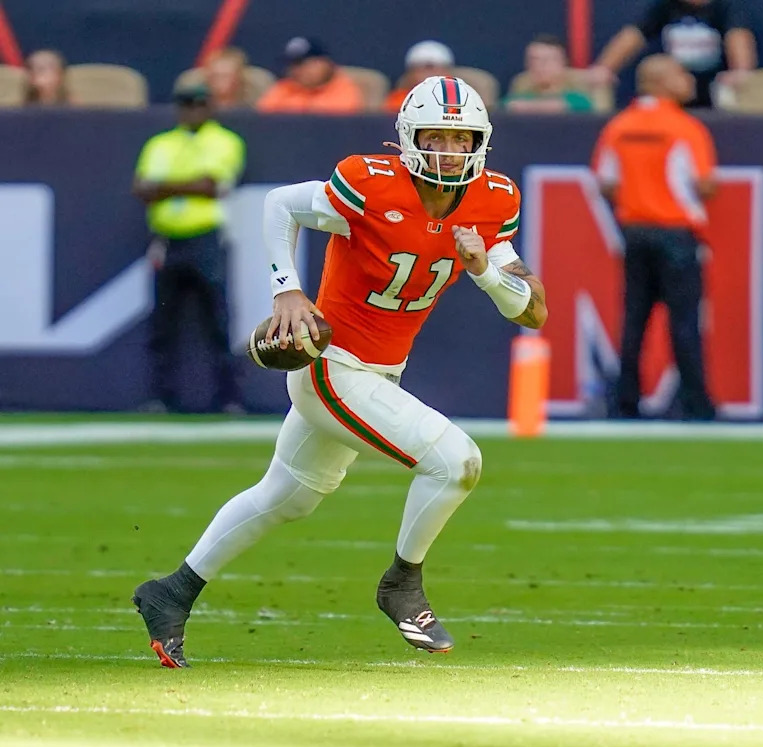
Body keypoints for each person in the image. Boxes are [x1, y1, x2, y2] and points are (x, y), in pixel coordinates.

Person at [131, 75, 548, 668]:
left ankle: (169, 593)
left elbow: (530, 310)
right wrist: (287, 292)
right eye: (437, 137)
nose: (449, 152)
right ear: (409, 137)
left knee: (286, 497)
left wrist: (483, 270)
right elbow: (281, 204)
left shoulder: (493, 199)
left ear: (480, 142)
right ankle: (402, 583)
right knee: (457, 462)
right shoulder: (371, 182)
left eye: (462, 140)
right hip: (330, 365)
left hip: (380, 372)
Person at [593, 55, 717, 420]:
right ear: (662, 81)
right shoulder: (684, 128)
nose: (688, 79)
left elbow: (607, 182)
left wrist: (638, 199)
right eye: (681, 73)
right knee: (684, 322)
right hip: (676, 234)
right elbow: (703, 182)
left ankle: (624, 403)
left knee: (634, 321)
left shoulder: (619, 126)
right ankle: (696, 406)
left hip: (635, 233)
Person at [132, 82, 246, 414]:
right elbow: (141, 188)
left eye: (198, 104)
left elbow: (211, 186)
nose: (191, 111)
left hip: (206, 235)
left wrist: (164, 187)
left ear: (209, 106)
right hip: (167, 239)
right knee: (163, 321)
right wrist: (188, 185)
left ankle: (228, 397)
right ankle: (159, 397)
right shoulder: (161, 143)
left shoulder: (224, 140)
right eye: (185, 105)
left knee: (217, 319)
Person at [590, 0, 756, 108]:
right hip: (672, 94)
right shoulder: (667, 6)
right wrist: (604, 68)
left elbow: (738, 36)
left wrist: (741, 71)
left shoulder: (726, 6)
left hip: (712, 93)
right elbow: (633, 35)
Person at [257, 36, 363, 114]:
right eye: (292, 65)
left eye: (302, 64)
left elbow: (327, 121)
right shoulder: (284, 87)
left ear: (324, 63)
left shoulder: (343, 88)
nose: (296, 71)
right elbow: (264, 117)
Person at [503, 35, 594, 114]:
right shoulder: (522, 87)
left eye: (547, 60)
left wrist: (528, 107)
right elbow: (504, 106)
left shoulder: (576, 90)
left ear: (563, 62)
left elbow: (582, 105)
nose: (539, 66)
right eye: (534, 60)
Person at [383, 40, 455, 114]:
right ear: (410, 72)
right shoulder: (395, 102)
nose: (429, 74)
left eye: (433, 68)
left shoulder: (460, 100)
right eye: (422, 68)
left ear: (448, 71)